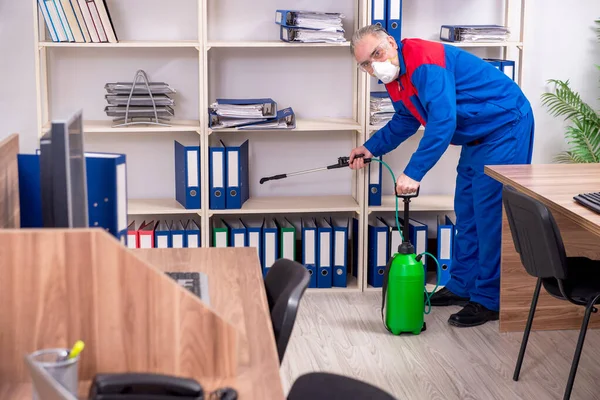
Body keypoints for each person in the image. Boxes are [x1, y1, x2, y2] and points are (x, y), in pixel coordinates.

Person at [348, 25, 535, 328]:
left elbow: (442, 122)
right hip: (478, 134)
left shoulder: (424, 61)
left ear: (391, 43)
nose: (374, 66)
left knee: (489, 215)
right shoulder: (395, 77)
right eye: (366, 64)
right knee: (467, 211)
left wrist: (414, 172)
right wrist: (371, 148)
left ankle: (489, 299)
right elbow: (406, 120)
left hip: (505, 125)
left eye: (376, 55)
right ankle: (462, 285)